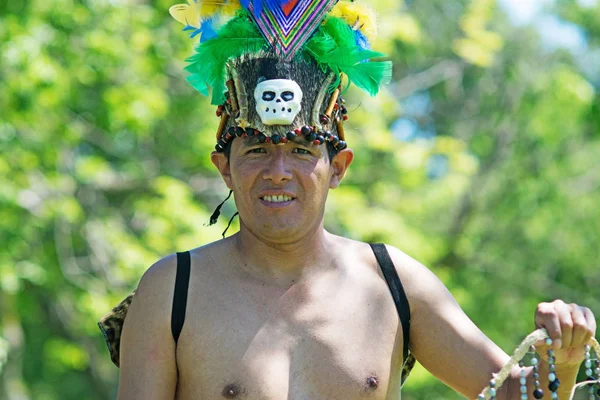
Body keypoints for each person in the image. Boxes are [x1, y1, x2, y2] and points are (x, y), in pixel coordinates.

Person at [99, 1, 597, 399]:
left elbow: (513, 396)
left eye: (301, 150)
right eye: (255, 150)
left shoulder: (393, 284)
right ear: (224, 166)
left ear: (337, 167)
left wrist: (564, 363)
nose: (279, 172)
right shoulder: (172, 291)